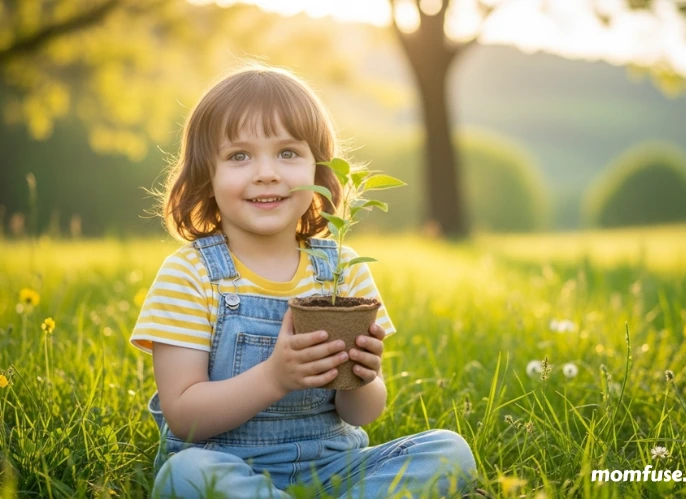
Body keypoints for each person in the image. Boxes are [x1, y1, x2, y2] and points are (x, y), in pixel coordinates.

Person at [130, 63, 478, 498]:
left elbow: (361, 413)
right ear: (207, 175)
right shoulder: (191, 274)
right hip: (227, 464)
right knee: (187, 475)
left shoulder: (342, 271)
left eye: (288, 153)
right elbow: (184, 416)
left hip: (334, 468)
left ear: (318, 172)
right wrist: (275, 377)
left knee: (450, 452)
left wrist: (365, 378)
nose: (267, 172)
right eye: (239, 155)